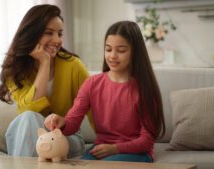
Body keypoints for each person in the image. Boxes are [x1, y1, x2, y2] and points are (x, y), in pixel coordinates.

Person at [44, 21, 166, 162]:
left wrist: (114, 148)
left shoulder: (144, 89)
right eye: (108, 49)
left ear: (135, 52)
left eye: (121, 50)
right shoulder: (92, 83)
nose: (112, 56)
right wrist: (62, 122)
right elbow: (73, 122)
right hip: (101, 149)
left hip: (136, 153)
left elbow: (147, 141)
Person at [0, 4, 91, 157]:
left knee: (29, 119)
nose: (56, 40)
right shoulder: (14, 70)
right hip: (29, 134)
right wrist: (45, 63)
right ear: (32, 34)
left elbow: (95, 105)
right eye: (49, 33)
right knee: (28, 118)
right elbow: (30, 110)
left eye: (60, 34)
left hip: (65, 137)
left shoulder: (73, 65)